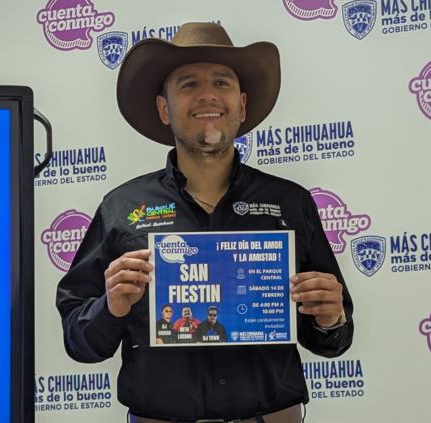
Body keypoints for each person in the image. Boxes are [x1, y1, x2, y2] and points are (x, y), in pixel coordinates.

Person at [57, 22, 354, 423]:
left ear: (242, 105)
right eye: (189, 84)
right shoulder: (121, 208)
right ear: (164, 108)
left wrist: (330, 318)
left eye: (221, 82)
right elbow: (80, 343)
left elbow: (333, 340)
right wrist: (110, 308)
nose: (208, 95)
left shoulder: (290, 203)